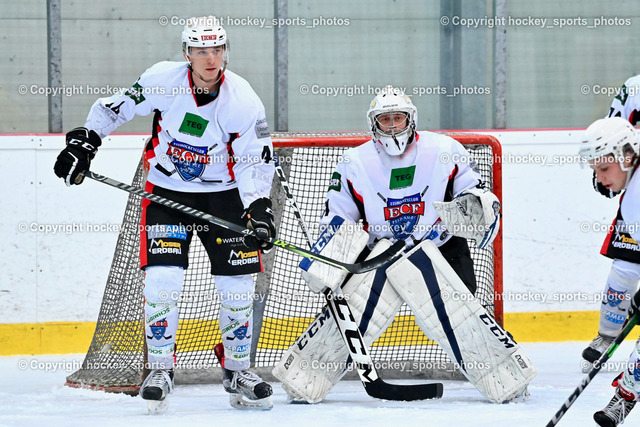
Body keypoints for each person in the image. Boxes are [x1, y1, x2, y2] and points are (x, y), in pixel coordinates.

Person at [53, 16, 276, 411]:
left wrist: (258, 208)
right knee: (162, 281)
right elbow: (113, 108)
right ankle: (160, 368)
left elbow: (251, 161)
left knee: (236, 289)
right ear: (186, 53)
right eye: (201, 51)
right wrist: (86, 142)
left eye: (217, 49)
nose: (210, 58)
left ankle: (237, 368)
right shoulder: (162, 79)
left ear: (226, 51)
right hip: (168, 195)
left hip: (223, 199)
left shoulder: (242, 99)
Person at [273, 86, 537, 405]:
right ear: (374, 125)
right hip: (382, 253)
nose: (394, 126)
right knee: (354, 310)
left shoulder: (444, 149)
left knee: (462, 314)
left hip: (441, 245)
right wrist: (328, 261)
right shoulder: (355, 161)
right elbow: (338, 216)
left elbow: (471, 189)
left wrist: (479, 204)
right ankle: (305, 378)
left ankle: (507, 377)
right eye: (386, 120)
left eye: (399, 118)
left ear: (411, 119)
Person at [577, 117, 640, 426]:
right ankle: (623, 400)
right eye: (595, 170)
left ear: (627, 156)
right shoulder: (631, 203)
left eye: (604, 169)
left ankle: (623, 399)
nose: (600, 178)